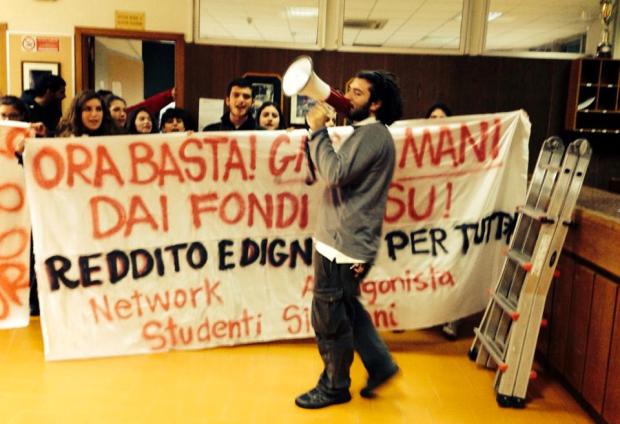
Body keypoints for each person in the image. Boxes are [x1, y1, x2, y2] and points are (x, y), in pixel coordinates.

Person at [295, 70, 403, 409]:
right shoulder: (366, 134)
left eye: (357, 93)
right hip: (342, 241)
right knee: (347, 309)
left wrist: (317, 131)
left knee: (330, 319)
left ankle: (335, 386)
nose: (346, 97)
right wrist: (319, 136)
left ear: (376, 103)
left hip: (342, 246)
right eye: (347, 90)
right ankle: (381, 365)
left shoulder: (373, 136)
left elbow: (335, 173)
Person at [424, 102, 461, 340]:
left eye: (442, 117)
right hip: (421, 218)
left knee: (450, 265)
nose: (437, 121)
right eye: (433, 117)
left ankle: (451, 318)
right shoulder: (415, 144)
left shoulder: (459, 147)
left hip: (449, 216)